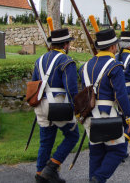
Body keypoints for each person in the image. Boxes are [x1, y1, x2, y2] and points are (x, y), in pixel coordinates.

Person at [79, 29, 130, 183]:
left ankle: (94, 179)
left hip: (89, 115)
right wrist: (129, 117)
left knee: (96, 153)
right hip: (107, 114)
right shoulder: (115, 66)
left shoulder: (85, 66)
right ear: (112, 47)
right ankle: (99, 178)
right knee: (119, 150)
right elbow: (121, 95)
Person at [31, 28, 79, 183]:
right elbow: (71, 89)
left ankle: (40, 175)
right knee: (73, 136)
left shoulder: (39, 60)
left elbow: (34, 83)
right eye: (68, 43)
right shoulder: (67, 61)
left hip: (41, 104)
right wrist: (77, 109)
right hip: (58, 104)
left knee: (46, 141)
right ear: (65, 44)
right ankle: (51, 167)